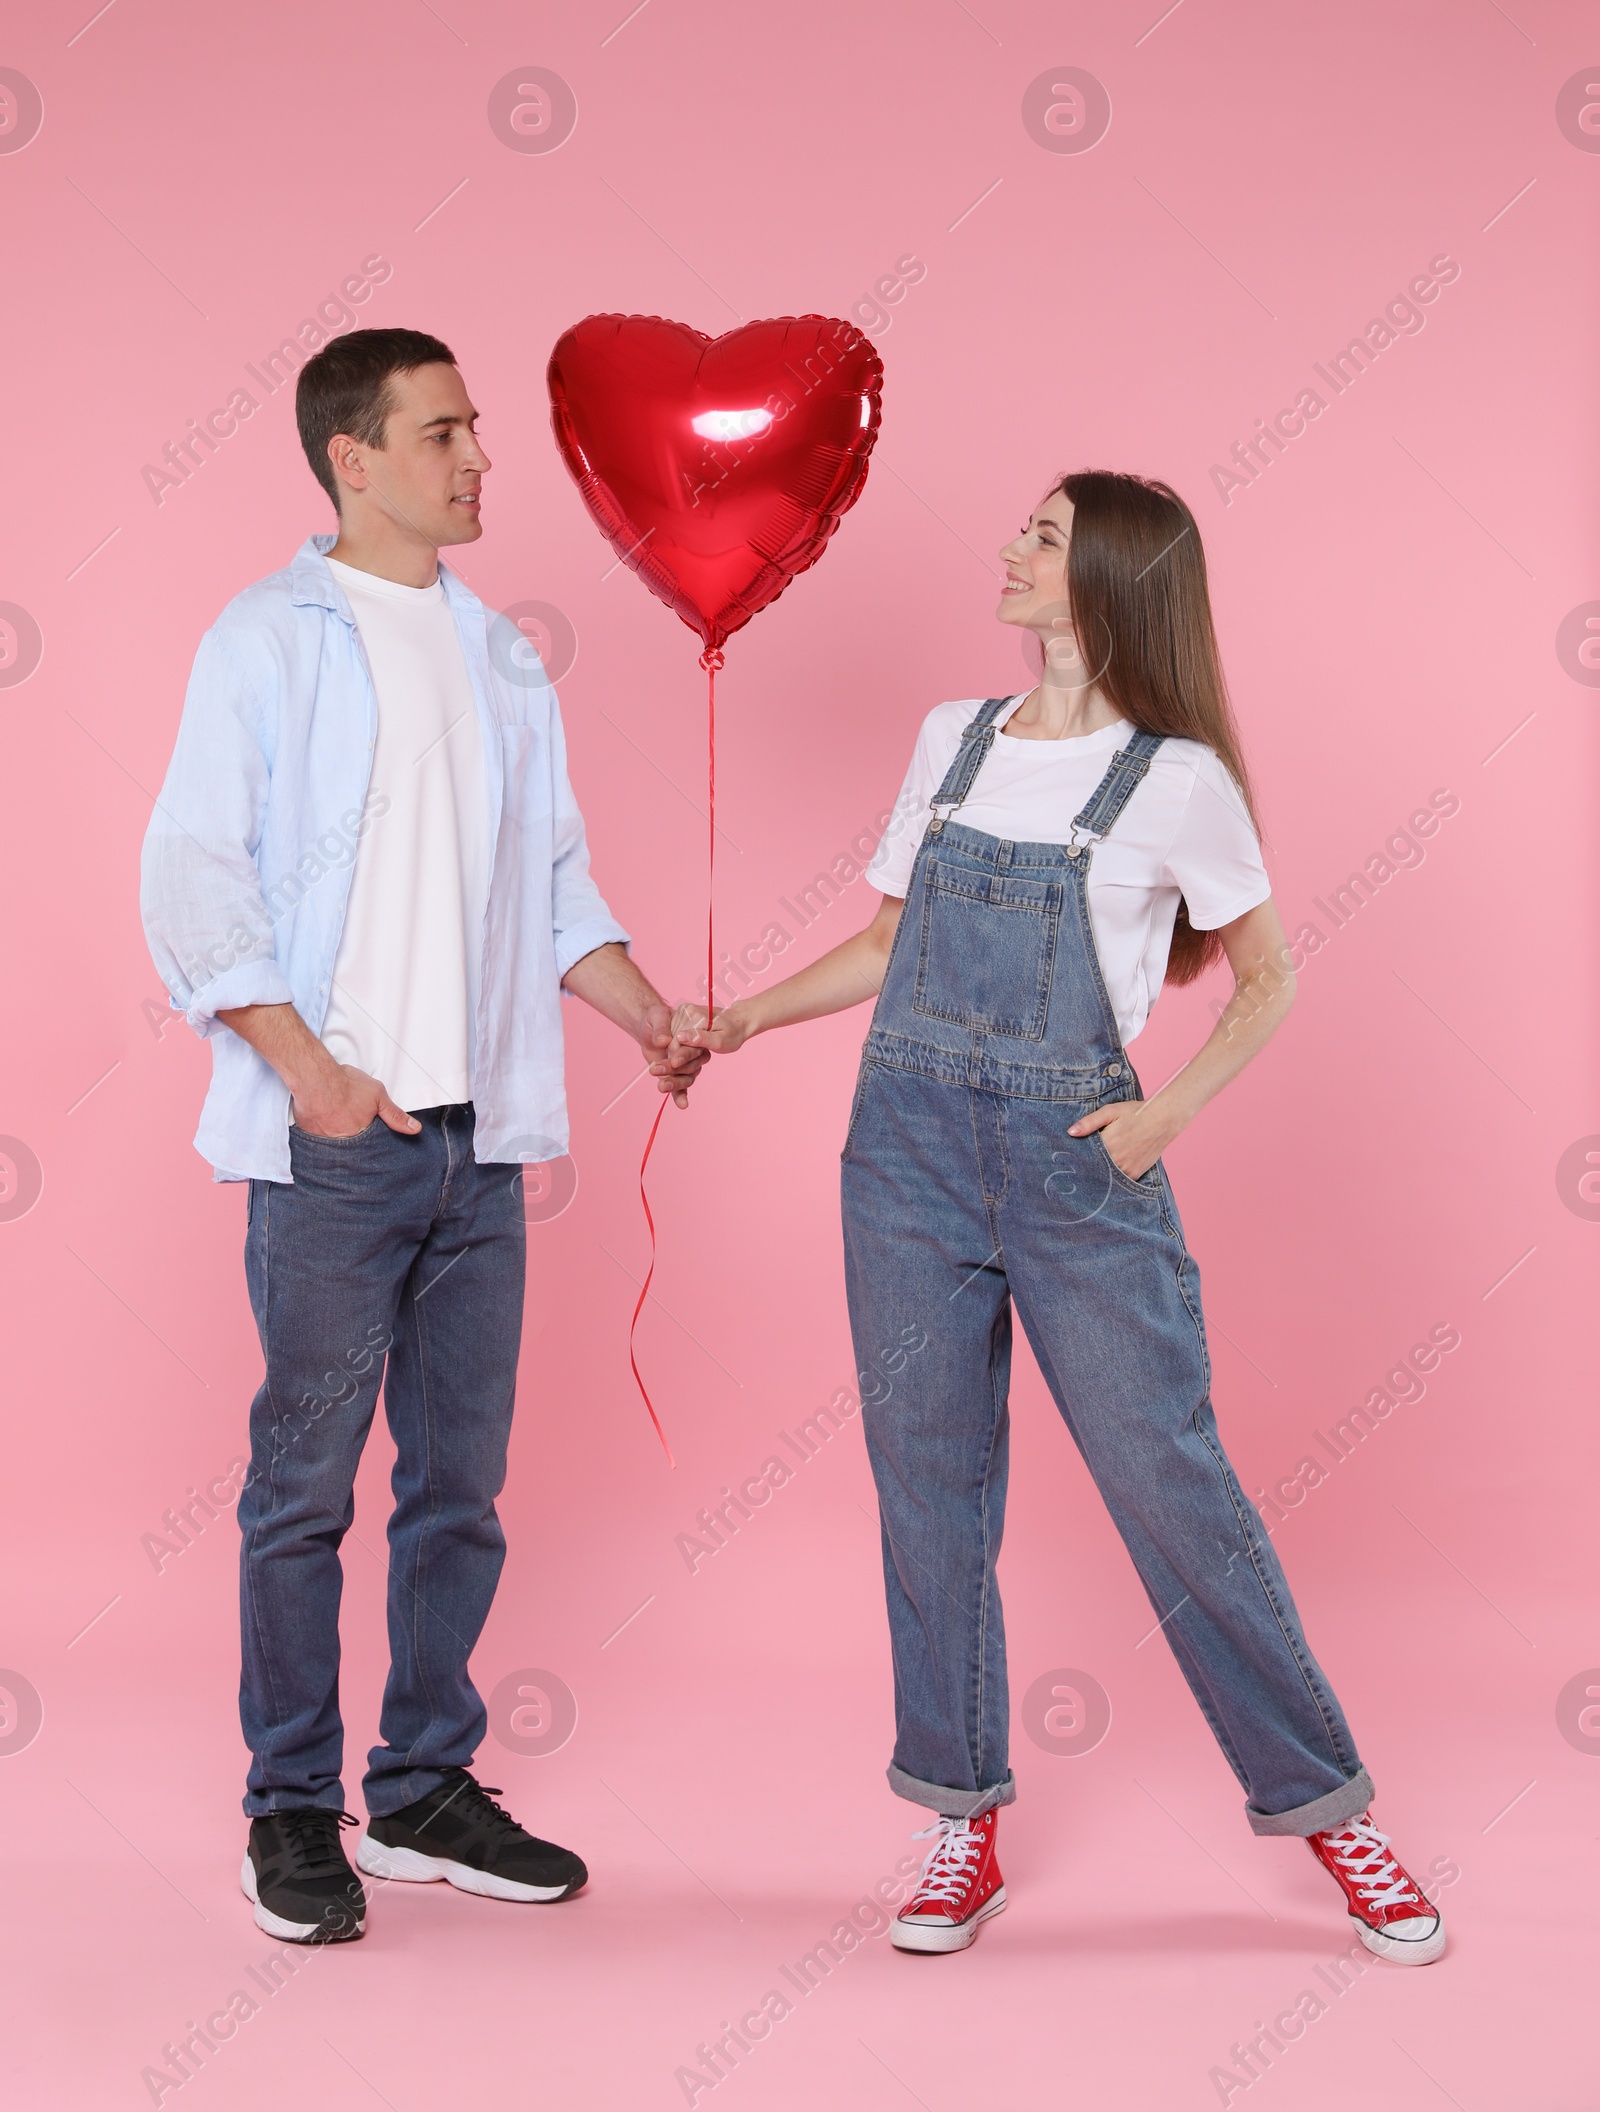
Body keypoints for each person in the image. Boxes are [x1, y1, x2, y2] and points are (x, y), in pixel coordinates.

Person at [702, 470, 1445, 1965]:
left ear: (1108, 574)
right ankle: (959, 1823)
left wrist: (1164, 1117)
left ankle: (1331, 1809)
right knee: (931, 1494)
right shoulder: (952, 742)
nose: (1010, 550)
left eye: (1041, 536)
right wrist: (742, 1022)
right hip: (902, 1160)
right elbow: (887, 945)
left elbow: (1270, 976)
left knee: (1172, 1487)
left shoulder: (1178, 781)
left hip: (1073, 1171)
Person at [141, 328, 707, 1946]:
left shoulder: (503, 654)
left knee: (460, 1487)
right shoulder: (266, 639)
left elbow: (554, 889)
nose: (478, 460)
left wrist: (648, 1012)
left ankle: (424, 1788)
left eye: (475, 431)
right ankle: (290, 1810)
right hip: (337, 1146)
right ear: (353, 457)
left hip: (480, 1149)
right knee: (302, 1489)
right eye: (444, 430)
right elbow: (192, 873)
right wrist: (310, 1072)